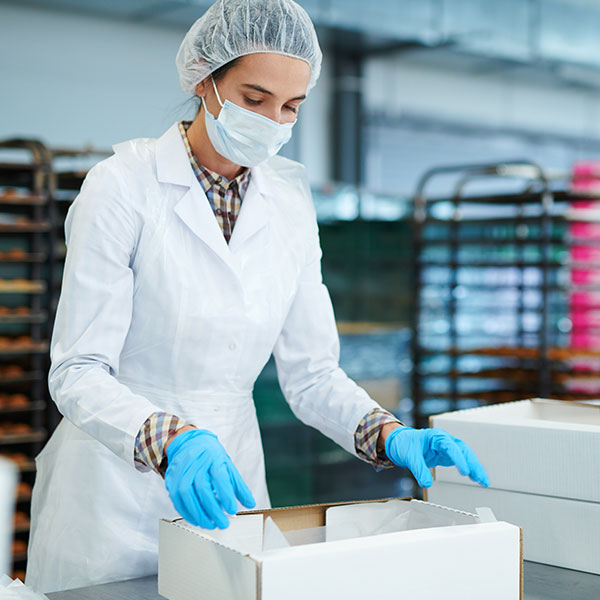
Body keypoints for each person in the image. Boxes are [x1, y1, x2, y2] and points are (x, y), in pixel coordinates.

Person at [26, 0, 489, 593]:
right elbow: (77, 371)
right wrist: (175, 440)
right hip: (108, 493)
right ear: (203, 79)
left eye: (291, 106)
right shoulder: (122, 187)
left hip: (234, 483)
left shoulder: (290, 204)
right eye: (254, 98)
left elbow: (313, 377)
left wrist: (388, 434)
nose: (273, 120)